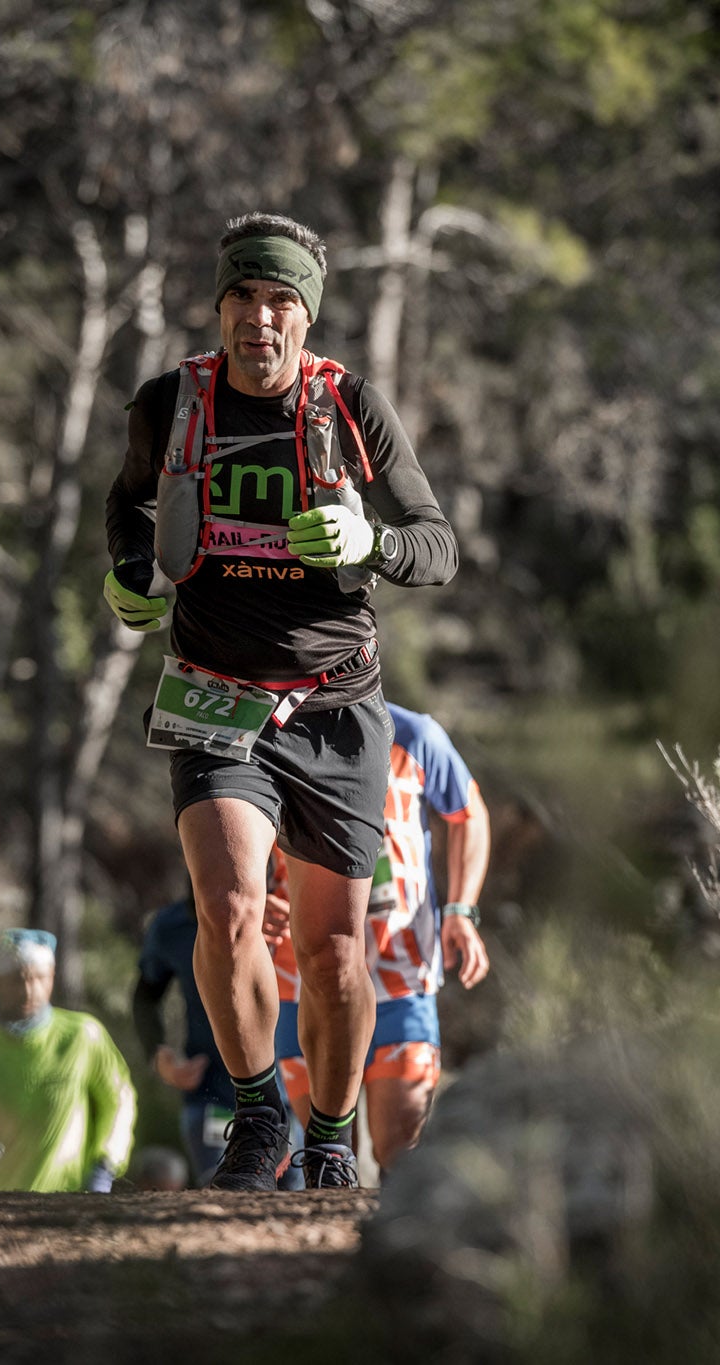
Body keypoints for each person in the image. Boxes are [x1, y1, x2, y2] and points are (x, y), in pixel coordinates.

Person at [103, 212, 458, 1190]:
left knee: (333, 946)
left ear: (303, 315)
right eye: (242, 299)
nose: (258, 319)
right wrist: (129, 570)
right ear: (219, 307)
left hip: (337, 705)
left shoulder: (347, 404)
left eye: (278, 302)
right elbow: (126, 503)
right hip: (214, 698)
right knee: (223, 906)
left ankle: (332, 1137)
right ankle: (258, 1113)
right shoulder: (171, 402)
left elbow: (436, 544)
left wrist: (370, 545)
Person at [270, 703, 492, 1173]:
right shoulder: (274, 725)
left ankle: (397, 1245)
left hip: (400, 973)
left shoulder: (415, 734)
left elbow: (469, 812)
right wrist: (257, 898)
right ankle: (318, 1244)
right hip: (302, 975)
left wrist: (460, 909)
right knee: (326, 1151)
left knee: (399, 1147)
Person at [0, 929, 137, 1193]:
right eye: (17, 980)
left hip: (68, 1204)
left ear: (52, 979)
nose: (29, 990)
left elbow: (118, 1100)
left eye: (40, 978)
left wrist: (105, 1163)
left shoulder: (82, 1036)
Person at [132, 892, 239, 1184]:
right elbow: (145, 997)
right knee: (225, 1195)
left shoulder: (286, 909)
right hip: (213, 1094)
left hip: (291, 1097)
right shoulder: (173, 924)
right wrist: (159, 1055)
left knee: (296, 1199)